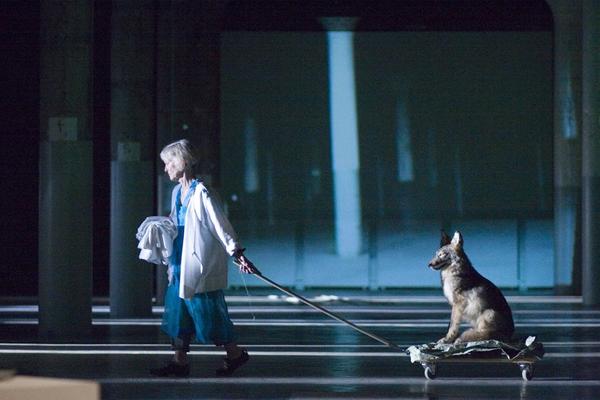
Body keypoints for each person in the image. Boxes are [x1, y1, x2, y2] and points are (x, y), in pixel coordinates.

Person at [150, 138, 256, 378]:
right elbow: (175, 220)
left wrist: (236, 253)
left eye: (169, 163)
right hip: (178, 261)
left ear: (184, 162)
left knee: (206, 311)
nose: (166, 168)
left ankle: (235, 354)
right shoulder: (177, 192)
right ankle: (179, 361)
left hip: (196, 262)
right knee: (178, 310)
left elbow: (220, 225)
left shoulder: (201, 193)